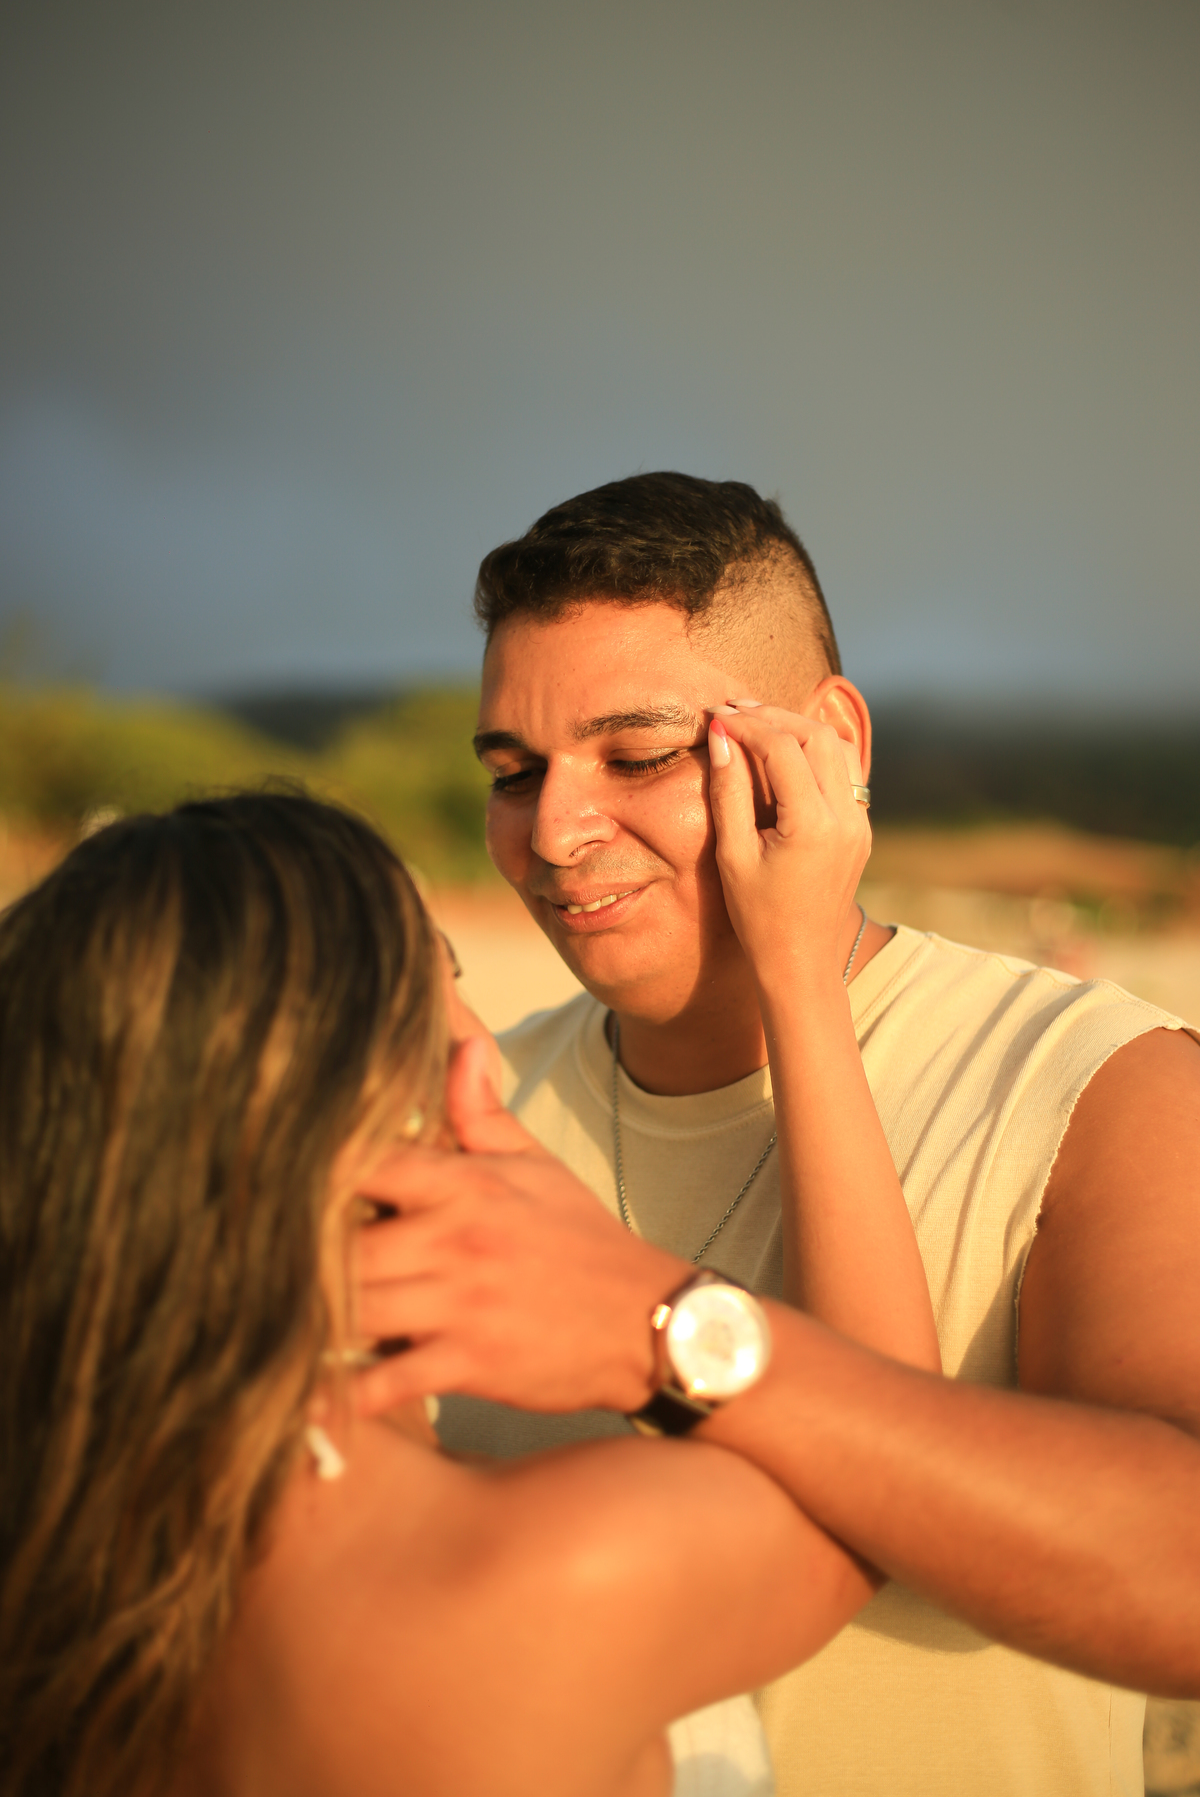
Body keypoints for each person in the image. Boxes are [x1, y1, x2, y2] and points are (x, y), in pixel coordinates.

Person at [355, 473, 1200, 1797]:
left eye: (638, 756)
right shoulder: (462, 1104)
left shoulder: (1096, 1082)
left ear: (830, 748)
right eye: (514, 774)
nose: (556, 833)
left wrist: (658, 1328)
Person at [0, 789, 938, 1797]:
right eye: (442, 977)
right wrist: (798, 971)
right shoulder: (547, 1575)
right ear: (406, 1084)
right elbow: (884, 1467)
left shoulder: (57, 1524)